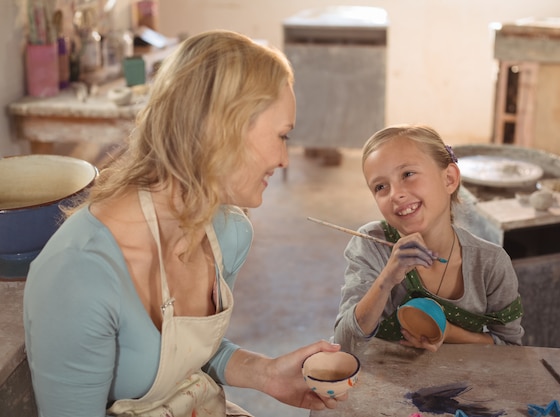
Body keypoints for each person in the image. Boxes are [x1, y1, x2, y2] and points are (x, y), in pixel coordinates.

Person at [23, 30, 345, 417]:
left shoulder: (228, 233)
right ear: (220, 129)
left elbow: (181, 357)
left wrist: (266, 373)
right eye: (282, 136)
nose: (284, 159)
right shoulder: (78, 275)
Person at [333, 124, 524, 355]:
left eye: (408, 174)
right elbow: (344, 345)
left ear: (449, 179)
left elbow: (511, 350)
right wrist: (386, 281)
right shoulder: (370, 245)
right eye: (381, 187)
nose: (396, 194)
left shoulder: (490, 263)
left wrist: (449, 333)